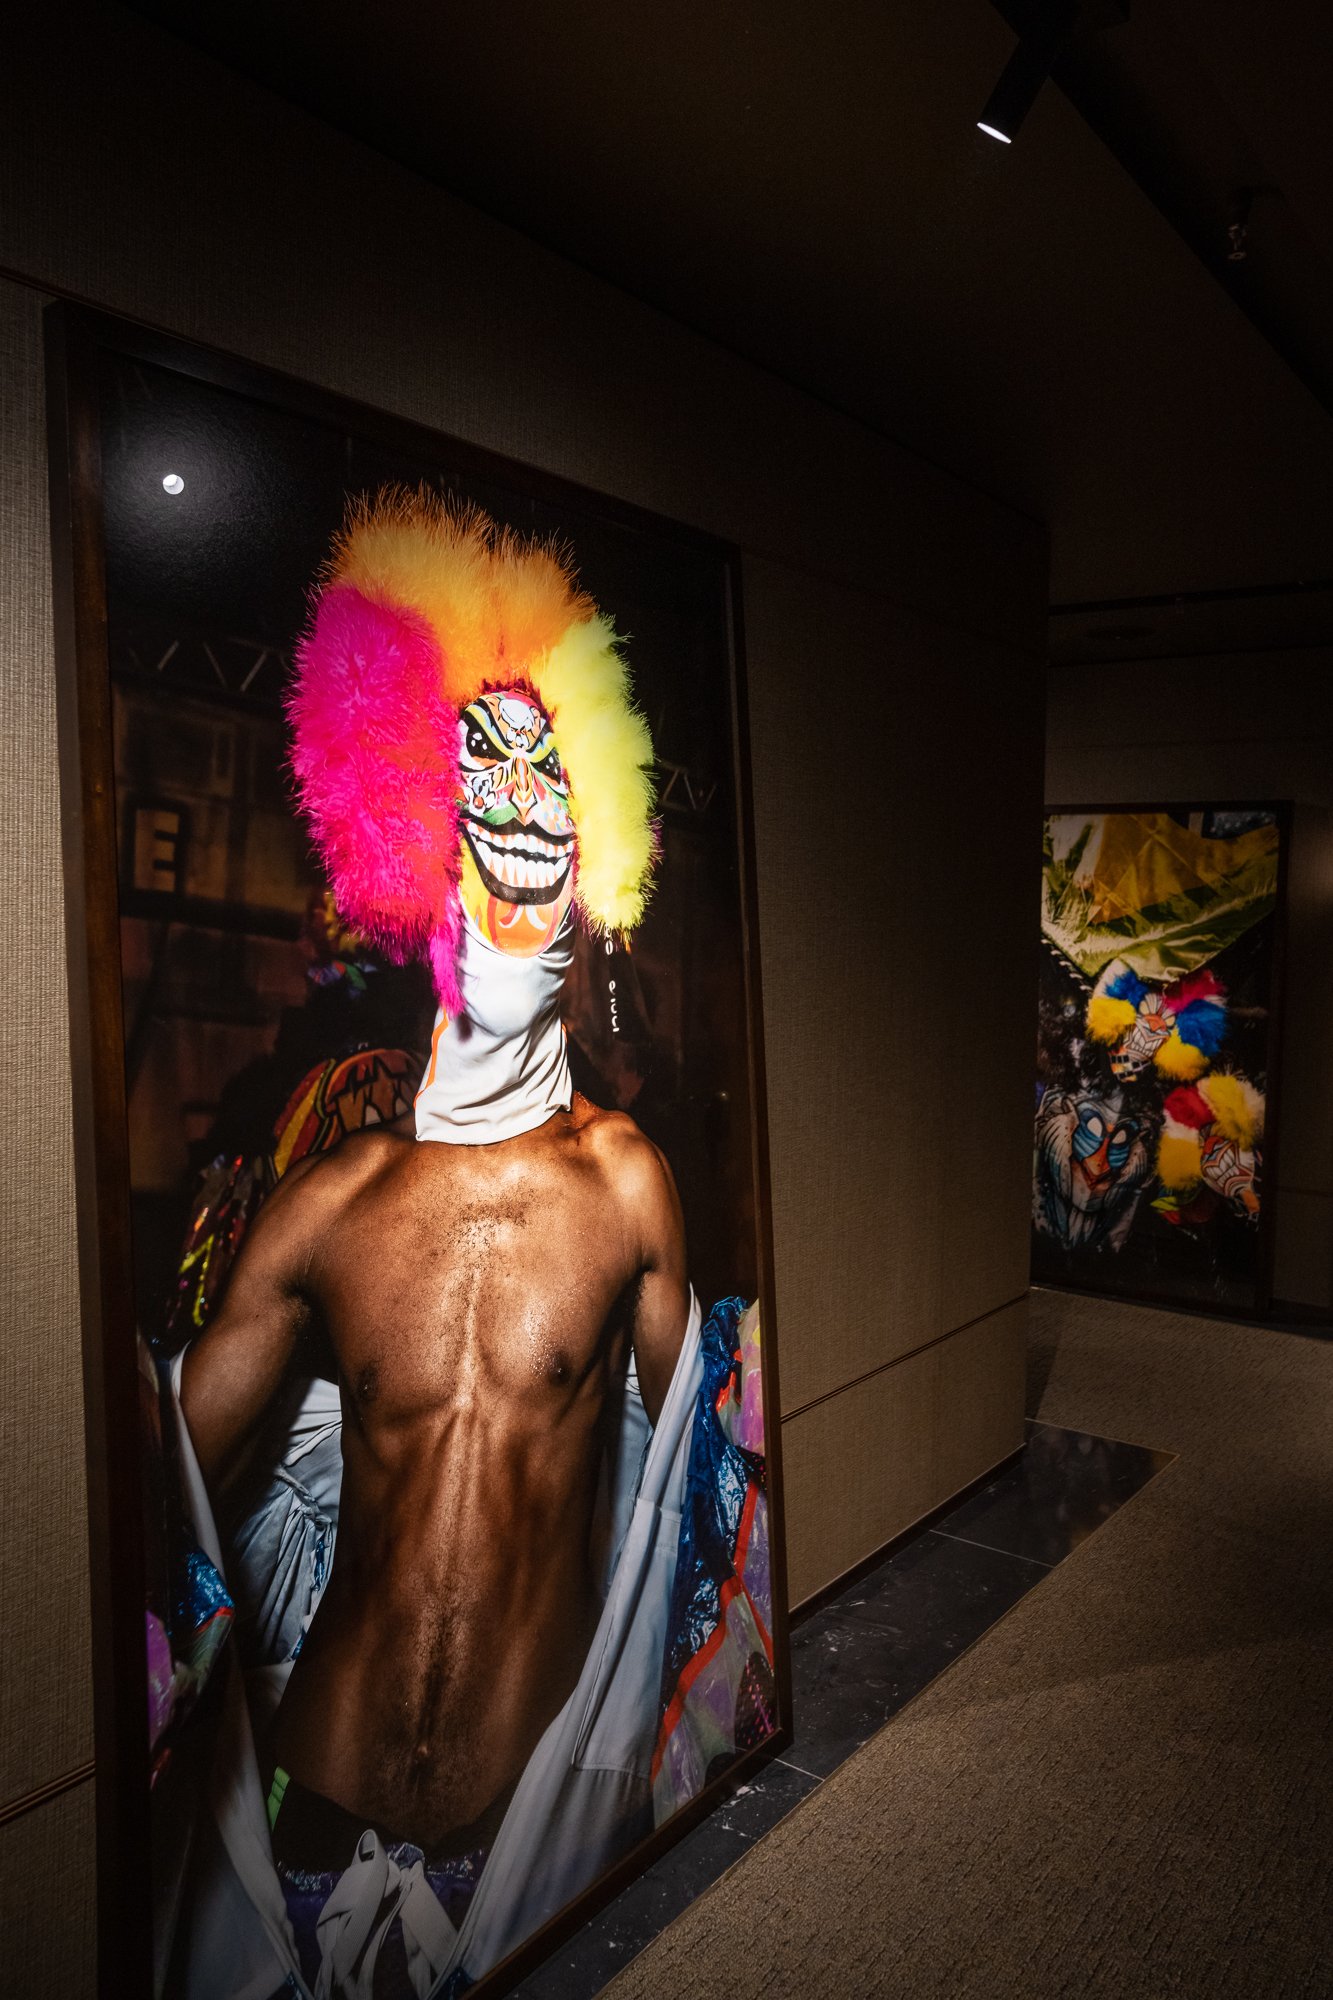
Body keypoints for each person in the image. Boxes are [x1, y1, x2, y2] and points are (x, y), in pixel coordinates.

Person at [168, 496, 738, 1999]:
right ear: (412, 841)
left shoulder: (625, 1184)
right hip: (302, 1809)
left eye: (551, 773)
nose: (522, 805)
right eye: (481, 772)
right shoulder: (332, 1203)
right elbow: (152, 1491)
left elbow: (712, 1513)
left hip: (533, 1835)